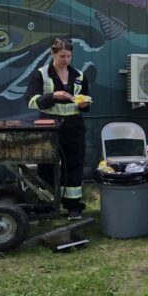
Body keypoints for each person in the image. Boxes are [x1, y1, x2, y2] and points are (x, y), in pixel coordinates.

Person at [26, 38, 91, 220]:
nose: (66, 60)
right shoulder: (40, 74)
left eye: (69, 56)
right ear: (52, 54)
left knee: (74, 165)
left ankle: (73, 206)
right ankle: (46, 204)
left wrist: (84, 104)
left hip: (74, 127)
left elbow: (86, 103)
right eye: (62, 56)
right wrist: (53, 95)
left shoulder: (79, 75)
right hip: (49, 126)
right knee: (46, 165)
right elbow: (31, 101)